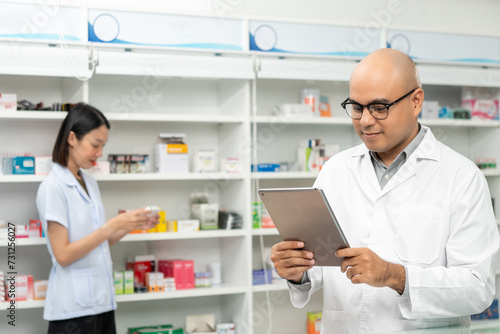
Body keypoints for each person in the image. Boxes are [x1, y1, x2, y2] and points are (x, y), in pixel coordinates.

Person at [271, 48, 500, 333]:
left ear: (416, 101)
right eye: (356, 107)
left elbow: (478, 288)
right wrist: (297, 271)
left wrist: (395, 276)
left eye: (379, 107)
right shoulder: (335, 170)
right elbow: (320, 264)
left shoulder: (461, 177)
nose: (365, 120)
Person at [36, 103, 158, 334]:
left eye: (103, 145)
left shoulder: (90, 182)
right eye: (95, 144)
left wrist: (131, 225)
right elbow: (62, 255)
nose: (100, 153)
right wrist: (112, 225)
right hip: (74, 311)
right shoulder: (53, 187)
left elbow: (96, 244)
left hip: (102, 302)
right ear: (72, 138)